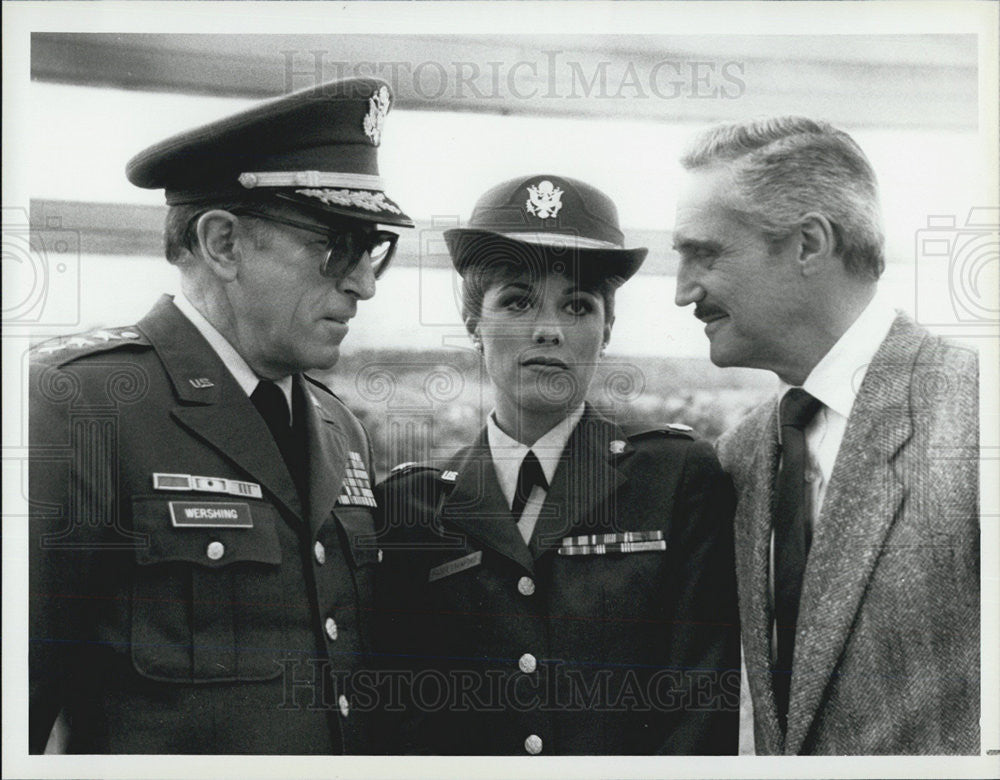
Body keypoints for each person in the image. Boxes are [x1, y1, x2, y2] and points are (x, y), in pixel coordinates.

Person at [28, 77, 413, 754]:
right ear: (223, 243)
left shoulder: (338, 430)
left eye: (373, 248)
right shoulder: (78, 408)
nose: (363, 283)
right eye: (335, 247)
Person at [374, 175, 740, 755]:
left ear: (607, 330)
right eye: (517, 301)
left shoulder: (675, 481)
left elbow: (700, 709)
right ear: (473, 324)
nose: (548, 328)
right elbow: (396, 723)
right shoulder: (410, 506)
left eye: (577, 305)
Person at [672, 116, 980, 755]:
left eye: (706, 253)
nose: (682, 292)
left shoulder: (977, 415)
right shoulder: (740, 456)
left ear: (809, 244)